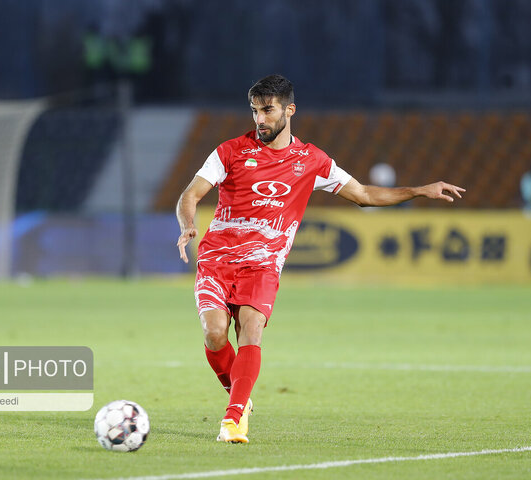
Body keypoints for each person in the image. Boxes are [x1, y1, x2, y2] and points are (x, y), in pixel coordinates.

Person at [175, 74, 465, 444]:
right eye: (254, 112)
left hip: (263, 264)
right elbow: (190, 195)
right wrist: (188, 226)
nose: (259, 120)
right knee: (214, 334)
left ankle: (233, 419)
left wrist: (419, 190)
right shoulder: (230, 151)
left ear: (289, 110)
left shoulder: (311, 160)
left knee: (251, 329)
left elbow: (363, 194)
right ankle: (241, 397)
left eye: (267, 110)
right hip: (216, 259)